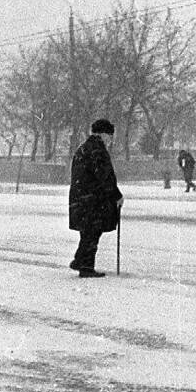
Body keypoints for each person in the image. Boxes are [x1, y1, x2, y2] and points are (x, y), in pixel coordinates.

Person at [68, 118, 123, 277]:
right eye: (110, 136)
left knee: (88, 232)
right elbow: (104, 176)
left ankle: (80, 261)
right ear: (104, 134)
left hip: (81, 198)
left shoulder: (84, 148)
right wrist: (116, 195)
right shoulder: (97, 150)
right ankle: (85, 267)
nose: (110, 140)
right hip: (93, 200)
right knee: (92, 232)